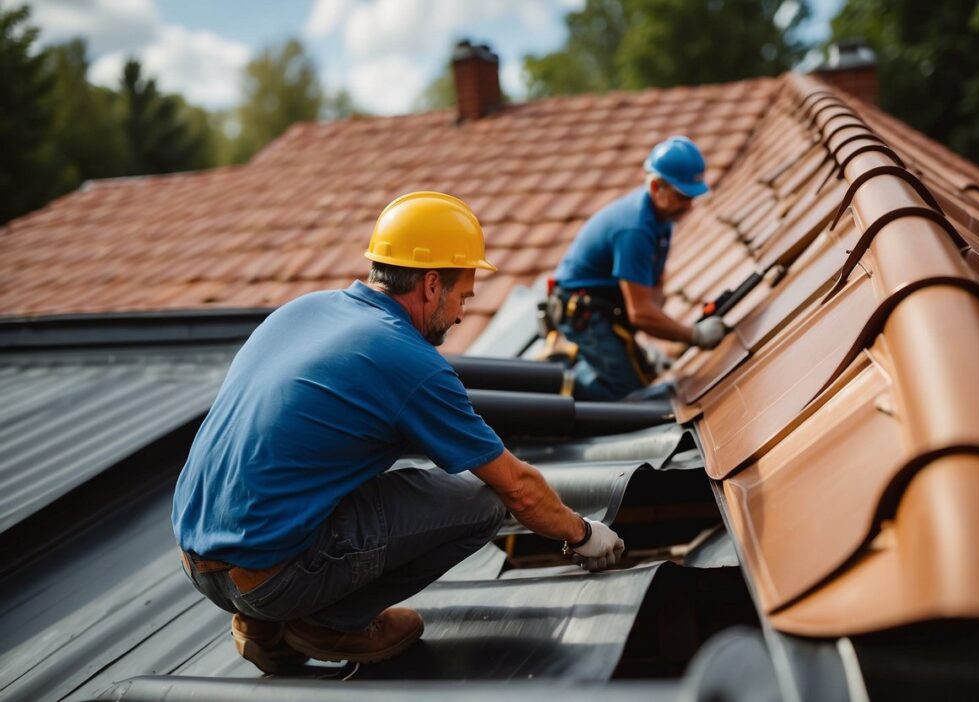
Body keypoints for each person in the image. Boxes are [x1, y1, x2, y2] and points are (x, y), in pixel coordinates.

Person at [172, 192, 625, 674]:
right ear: (432, 285)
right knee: (483, 502)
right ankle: (330, 623)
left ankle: (261, 627)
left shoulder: (304, 311)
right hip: (270, 581)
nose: (461, 315)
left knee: (345, 478)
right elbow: (518, 488)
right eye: (462, 297)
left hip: (196, 561)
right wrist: (582, 535)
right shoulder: (408, 361)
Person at [550, 136, 727, 401]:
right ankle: (555, 385)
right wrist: (694, 335)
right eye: (682, 196)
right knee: (625, 394)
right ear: (657, 187)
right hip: (583, 311)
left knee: (639, 376)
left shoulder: (662, 219)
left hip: (606, 306)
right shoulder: (634, 229)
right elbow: (641, 313)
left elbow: (653, 294)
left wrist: (656, 344)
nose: (689, 206)